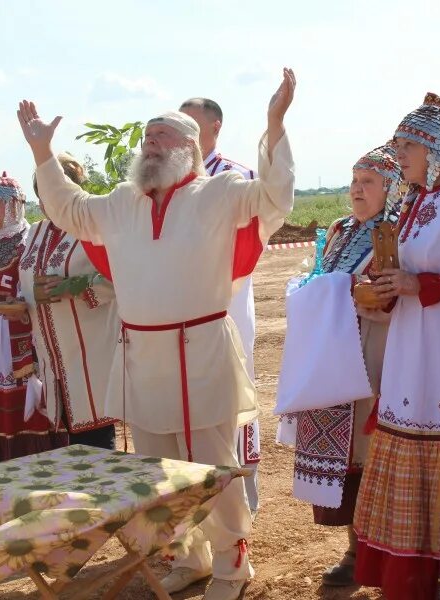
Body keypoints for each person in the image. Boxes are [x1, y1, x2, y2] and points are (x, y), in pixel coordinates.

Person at [16, 67, 296, 600]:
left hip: (201, 352)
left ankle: (233, 566)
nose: (151, 144)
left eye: (163, 136)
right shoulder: (122, 201)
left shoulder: (222, 193)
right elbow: (70, 209)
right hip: (141, 353)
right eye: (147, 137)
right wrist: (42, 155)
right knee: (159, 470)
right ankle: (189, 559)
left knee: (212, 466)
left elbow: (276, 197)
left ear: (191, 146)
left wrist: (275, 125)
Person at [351, 93, 440, 599]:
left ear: (436, 148)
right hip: (409, 347)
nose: (399, 155)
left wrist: (423, 286)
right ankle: (406, 578)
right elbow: (405, 266)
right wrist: (386, 284)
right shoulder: (412, 202)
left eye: (406, 145)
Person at [277, 144, 401, 586]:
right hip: (332, 357)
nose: (356, 190)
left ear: (391, 188)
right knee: (347, 463)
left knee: (370, 460)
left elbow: (385, 300)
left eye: (367, 182)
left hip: (373, 357)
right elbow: (325, 280)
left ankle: (377, 557)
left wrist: (348, 292)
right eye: (354, 181)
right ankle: (353, 553)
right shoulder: (339, 229)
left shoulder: (395, 233)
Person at [180, 97, 261, 515]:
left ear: (215, 127)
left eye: (191, 124)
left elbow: (243, 246)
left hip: (224, 305)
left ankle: (239, 502)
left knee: (229, 399)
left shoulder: (233, 175)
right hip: (179, 314)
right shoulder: (169, 181)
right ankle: (194, 500)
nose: (184, 133)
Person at [3, 155, 118, 449]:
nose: (47, 201)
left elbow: (121, 278)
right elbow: (29, 280)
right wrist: (21, 305)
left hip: (91, 352)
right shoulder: (36, 232)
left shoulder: (95, 227)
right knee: (65, 444)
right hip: (51, 357)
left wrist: (76, 287)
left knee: (95, 441)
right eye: (42, 193)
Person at [0, 172, 53, 463]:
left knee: (27, 403)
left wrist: (22, 307)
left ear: (15, 206)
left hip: (23, 334)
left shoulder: (32, 242)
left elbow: (41, 289)